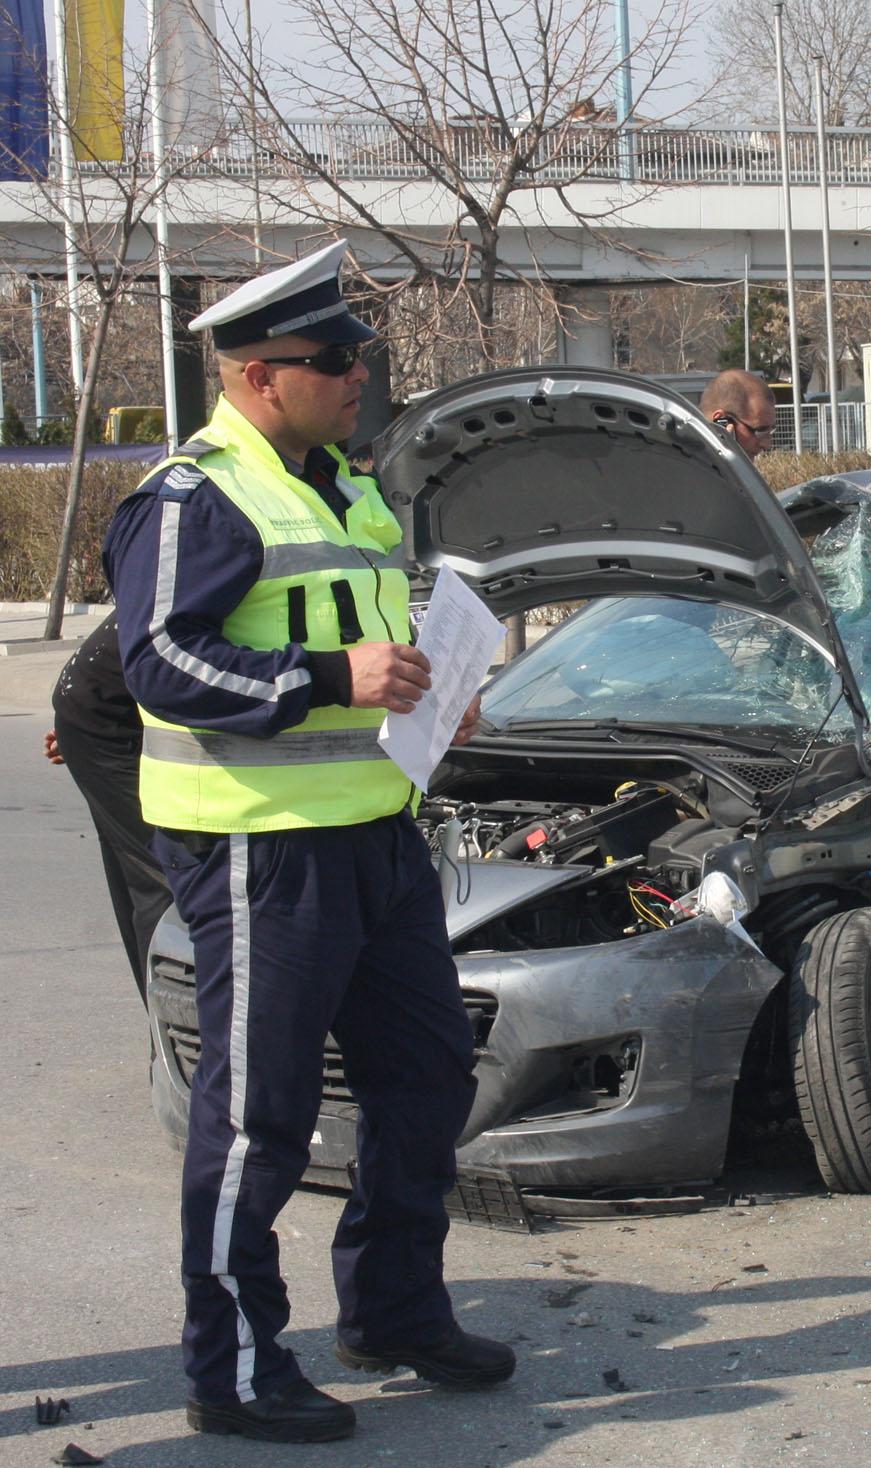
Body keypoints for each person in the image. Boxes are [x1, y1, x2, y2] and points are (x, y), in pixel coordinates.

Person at [102, 240, 513, 1445]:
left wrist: (432, 689)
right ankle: (231, 1366)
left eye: (357, 352)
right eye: (331, 358)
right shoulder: (196, 495)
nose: (356, 372)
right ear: (254, 375)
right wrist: (336, 675)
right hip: (260, 849)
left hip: (372, 836)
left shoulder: (347, 485)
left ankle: (391, 1311)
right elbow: (160, 662)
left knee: (427, 1074)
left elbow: (372, 638)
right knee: (259, 1115)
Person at [45, 613, 173, 1000]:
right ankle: (177, 1039)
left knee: (160, 877)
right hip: (105, 715)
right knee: (169, 880)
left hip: (106, 703)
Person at [699, 369, 780, 459]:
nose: (767, 445)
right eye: (759, 431)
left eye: (770, 431)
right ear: (721, 422)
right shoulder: (686, 469)